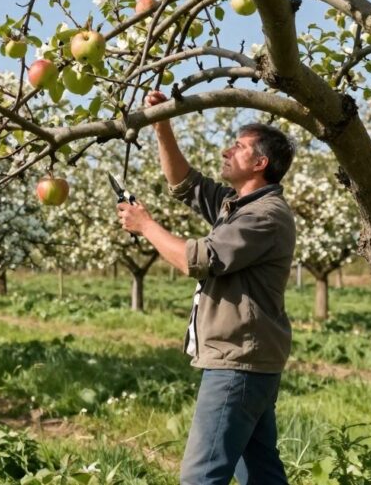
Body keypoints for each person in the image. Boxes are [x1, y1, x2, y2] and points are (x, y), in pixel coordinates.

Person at [116, 90, 297, 485]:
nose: (226, 152)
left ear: (260, 163)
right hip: (250, 360)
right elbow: (186, 184)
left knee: (201, 476)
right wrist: (161, 125)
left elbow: (196, 260)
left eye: (238, 147)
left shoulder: (264, 217)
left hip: (237, 362)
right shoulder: (238, 205)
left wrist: (146, 225)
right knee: (262, 472)